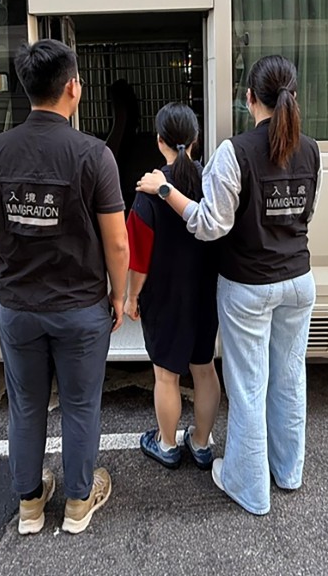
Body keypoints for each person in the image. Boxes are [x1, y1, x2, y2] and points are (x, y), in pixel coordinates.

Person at [137, 55, 322, 515]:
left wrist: (165, 191)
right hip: (299, 280)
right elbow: (305, 214)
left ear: (248, 98)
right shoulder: (313, 150)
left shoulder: (234, 152)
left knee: (249, 385)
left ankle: (250, 487)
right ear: (292, 97)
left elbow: (208, 224)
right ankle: (288, 470)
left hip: (250, 287)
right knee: (289, 378)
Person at [0, 39, 129, 536]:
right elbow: (117, 243)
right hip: (81, 308)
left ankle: (31, 506)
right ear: (74, 87)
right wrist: (118, 296)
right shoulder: (94, 155)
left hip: (17, 307)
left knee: (26, 405)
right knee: (81, 405)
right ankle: (79, 503)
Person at [125, 103, 220, 470]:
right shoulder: (212, 181)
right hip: (205, 292)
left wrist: (132, 297)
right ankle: (200, 444)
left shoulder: (149, 189)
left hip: (164, 295)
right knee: (204, 367)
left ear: (160, 141)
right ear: (196, 140)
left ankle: (166, 446)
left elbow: (138, 256)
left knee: (166, 374)